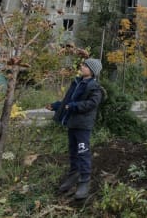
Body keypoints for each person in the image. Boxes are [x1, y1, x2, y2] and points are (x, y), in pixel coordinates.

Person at [46, 58, 103, 200]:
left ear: (92, 71)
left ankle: (84, 181)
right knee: (73, 152)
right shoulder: (77, 83)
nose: (81, 66)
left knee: (83, 152)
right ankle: (73, 176)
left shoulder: (94, 87)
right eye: (82, 64)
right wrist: (56, 106)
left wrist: (73, 106)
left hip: (83, 125)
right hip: (72, 123)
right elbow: (68, 102)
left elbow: (91, 103)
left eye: (85, 65)